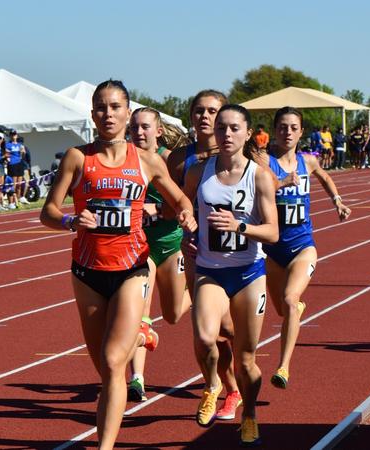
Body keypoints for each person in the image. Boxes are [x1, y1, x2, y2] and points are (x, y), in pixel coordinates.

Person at [40, 80, 196, 450]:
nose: (107, 114)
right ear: (92, 114)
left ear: (127, 112)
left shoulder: (146, 161)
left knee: (113, 363)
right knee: (106, 370)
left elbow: (180, 201)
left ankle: (104, 446)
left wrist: (187, 216)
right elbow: (48, 210)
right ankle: (140, 337)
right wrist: (69, 221)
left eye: (114, 107)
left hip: (133, 268)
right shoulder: (78, 158)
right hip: (87, 273)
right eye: (100, 107)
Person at [183, 104, 278, 446]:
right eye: (221, 128)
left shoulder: (260, 176)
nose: (226, 134)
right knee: (206, 336)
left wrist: (240, 226)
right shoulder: (198, 171)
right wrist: (187, 229)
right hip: (210, 270)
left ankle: (249, 413)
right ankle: (212, 385)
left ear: (248, 133)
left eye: (234, 128)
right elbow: (182, 209)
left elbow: (272, 233)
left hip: (249, 272)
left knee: (246, 357)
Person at [258, 107, 351, 391]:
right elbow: (256, 185)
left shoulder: (307, 161)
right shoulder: (263, 160)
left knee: (289, 300)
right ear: (275, 130)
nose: (287, 132)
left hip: (302, 246)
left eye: (293, 127)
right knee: (283, 311)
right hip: (272, 249)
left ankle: (283, 366)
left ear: (301, 132)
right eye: (282, 127)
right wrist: (282, 182)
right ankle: (296, 309)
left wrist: (337, 200)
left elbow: (324, 176)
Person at [166, 89, 243, 422]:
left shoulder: (238, 153)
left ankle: (239, 379)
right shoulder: (180, 158)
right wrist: (182, 222)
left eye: (212, 111)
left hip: (237, 252)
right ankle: (223, 387)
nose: (205, 117)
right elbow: (175, 203)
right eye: (199, 110)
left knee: (229, 328)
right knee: (205, 329)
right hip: (198, 252)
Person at [126, 107, 192, 402]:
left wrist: (158, 210)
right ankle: (137, 378)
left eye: (145, 127)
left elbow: (183, 202)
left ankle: (199, 290)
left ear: (158, 131)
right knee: (139, 316)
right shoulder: (124, 161)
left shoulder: (169, 161)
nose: (139, 133)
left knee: (174, 314)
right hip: (140, 247)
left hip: (171, 244)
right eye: (135, 127)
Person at [5, 130, 27, 207]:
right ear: (10, 136)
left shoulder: (20, 144)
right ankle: (12, 202)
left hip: (19, 164)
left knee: (19, 185)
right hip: (12, 164)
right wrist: (8, 158)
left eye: (15, 134)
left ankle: (17, 200)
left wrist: (23, 152)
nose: (14, 136)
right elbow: (6, 154)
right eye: (12, 134)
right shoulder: (8, 145)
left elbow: (23, 156)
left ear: (17, 135)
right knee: (13, 184)